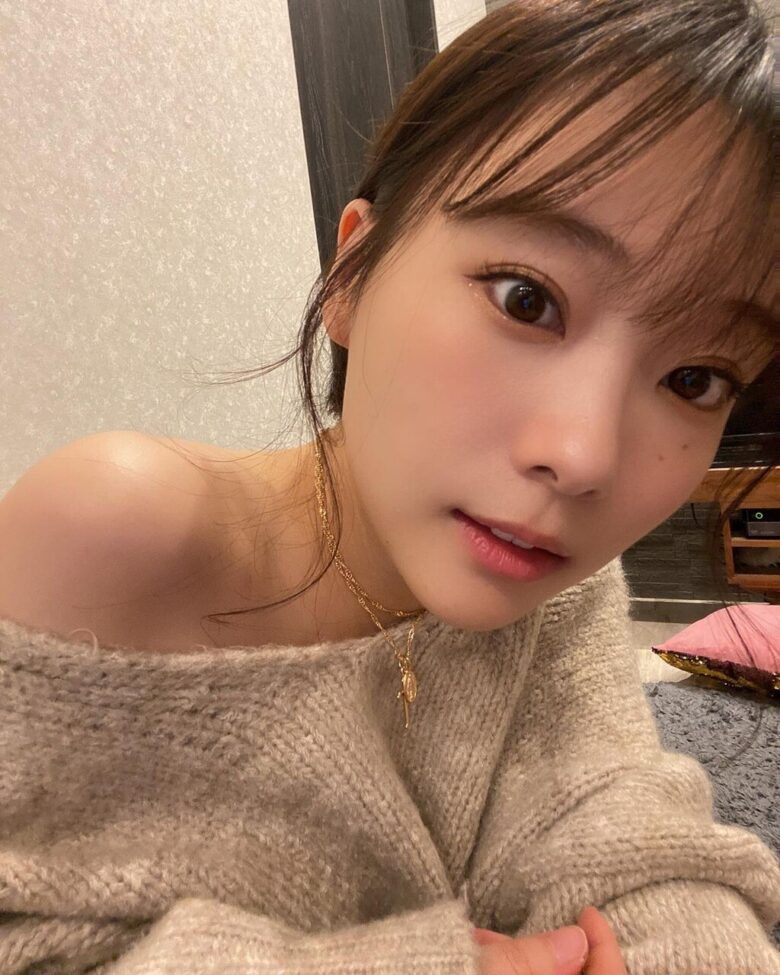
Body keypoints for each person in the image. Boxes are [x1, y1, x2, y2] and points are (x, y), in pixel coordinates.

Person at [0, 0, 777, 973]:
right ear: (354, 272)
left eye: (695, 378)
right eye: (527, 299)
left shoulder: (552, 581)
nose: (585, 457)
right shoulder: (110, 531)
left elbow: (631, 843)